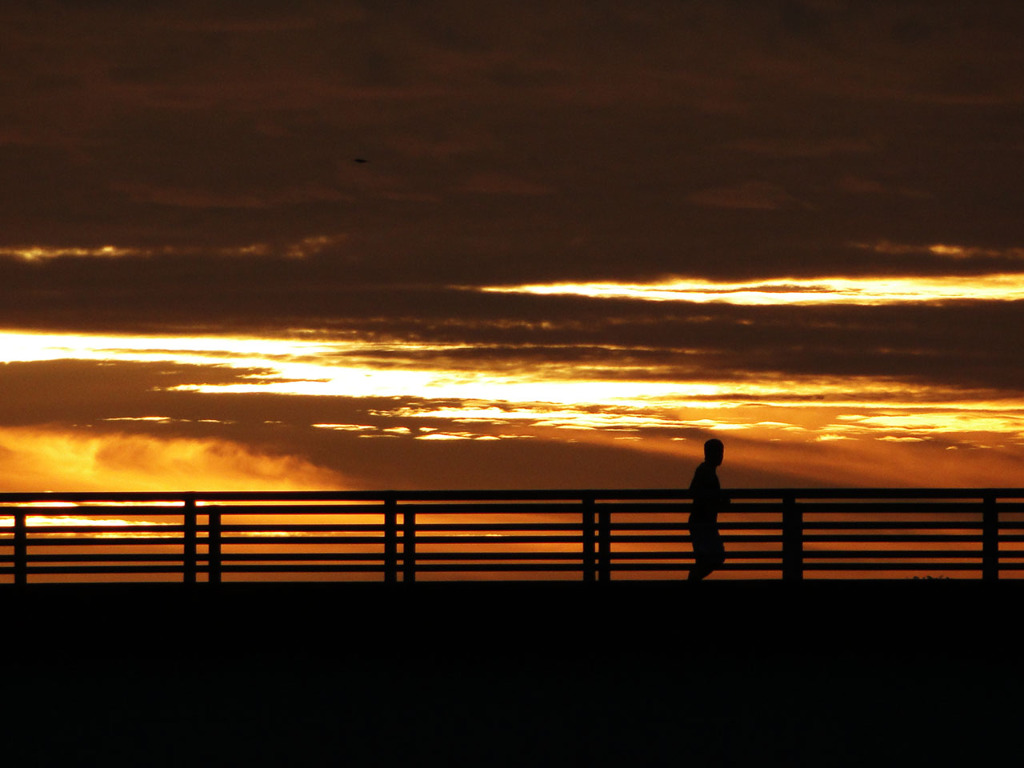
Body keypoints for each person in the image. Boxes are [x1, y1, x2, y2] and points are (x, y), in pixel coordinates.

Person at [688, 438, 728, 581]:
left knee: (707, 558)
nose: (720, 456)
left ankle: (693, 580)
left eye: (721, 452)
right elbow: (694, 491)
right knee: (715, 556)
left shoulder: (706, 470)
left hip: (704, 521)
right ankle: (692, 580)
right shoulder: (705, 471)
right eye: (718, 452)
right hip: (702, 521)